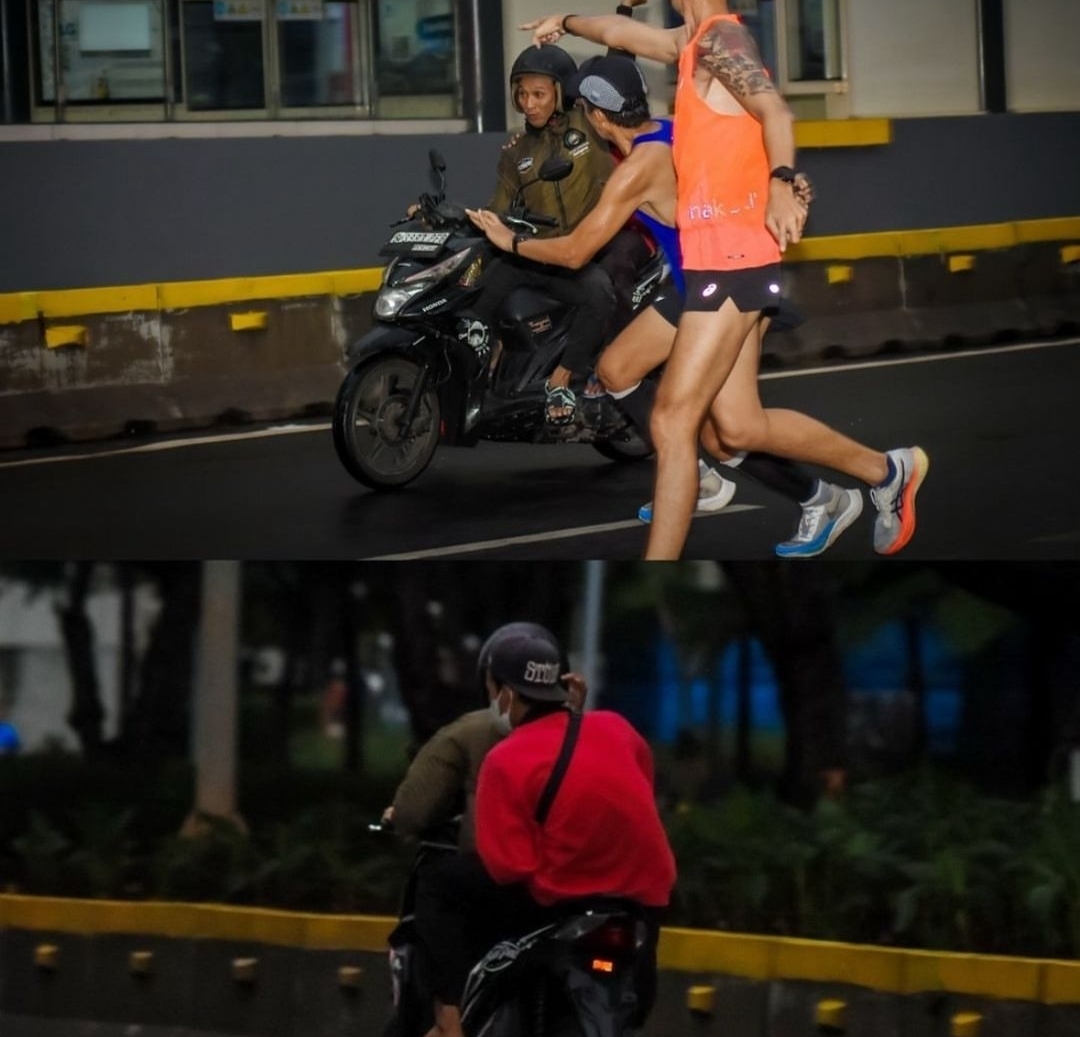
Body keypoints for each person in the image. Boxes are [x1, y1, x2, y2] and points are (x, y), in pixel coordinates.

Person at [525, 4, 929, 559]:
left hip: (732, 259)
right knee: (737, 428)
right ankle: (887, 472)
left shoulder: (722, 40)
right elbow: (620, 31)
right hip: (719, 260)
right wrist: (566, 22)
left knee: (671, 419)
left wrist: (782, 179)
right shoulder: (692, 42)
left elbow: (776, 113)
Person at [468, 54, 864, 558]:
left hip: (718, 286)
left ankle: (822, 495)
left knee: (725, 431)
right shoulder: (669, 131)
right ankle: (705, 476)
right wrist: (783, 182)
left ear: (597, 116)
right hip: (694, 285)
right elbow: (738, 151)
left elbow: (575, 252)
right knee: (616, 370)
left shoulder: (637, 168)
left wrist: (509, 243)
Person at [417, 629, 676, 1037]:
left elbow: (510, 867)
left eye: (491, 689)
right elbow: (634, 791)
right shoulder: (618, 729)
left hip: (565, 901)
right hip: (645, 900)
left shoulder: (505, 760)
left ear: (504, 693)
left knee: (438, 883)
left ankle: (448, 1020)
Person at [469, 44, 640, 426]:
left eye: (539, 94)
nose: (528, 103)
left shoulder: (588, 123)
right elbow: (497, 207)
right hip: (538, 252)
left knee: (598, 292)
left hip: (584, 251)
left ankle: (561, 379)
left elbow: (614, 73)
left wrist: (625, 12)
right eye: (522, 94)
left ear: (561, 93)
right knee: (482, 288)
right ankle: (491, 366)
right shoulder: (517, 152)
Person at [383, 620, 583, 853]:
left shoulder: (471, 731)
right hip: (571, 873)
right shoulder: (592, 732)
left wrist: (397, 817)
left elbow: (412, 814)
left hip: (489, 874)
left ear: (497, 688)